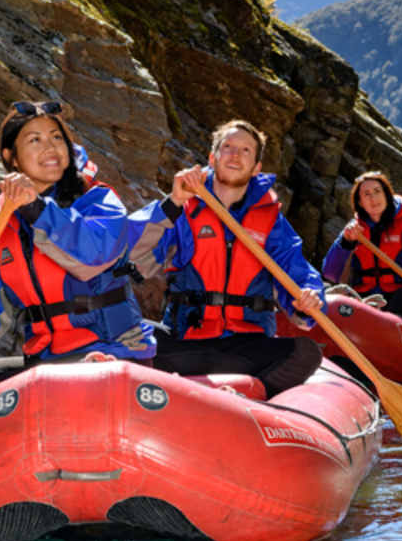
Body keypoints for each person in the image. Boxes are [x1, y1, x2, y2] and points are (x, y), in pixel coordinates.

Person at [0, 100, 153, 403]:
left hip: (113, 350)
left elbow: (93, 255)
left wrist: (36, 209)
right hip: (49, 359)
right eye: (34, 140)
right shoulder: (1, 233)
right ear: (11, 159)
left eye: (56, 137)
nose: (50, 147)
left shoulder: (99, 201)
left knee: (85, 377)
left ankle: (86, 382)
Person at [127, 119, 324, 397]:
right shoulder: (184, 206)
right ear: (213, 157)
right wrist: (172, 203)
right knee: (123, 332)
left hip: (246, 347)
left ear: (257, 167)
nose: (235, 154)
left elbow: (298, 272)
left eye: (245, 150)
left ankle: (249, 404)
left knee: (307, 352)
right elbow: (131, 255)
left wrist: (307, 298)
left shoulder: (271, 222)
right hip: (186, 341)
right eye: (228, 147)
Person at [321, 170, 402, 324]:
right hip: (364, 301)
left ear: (387, 196)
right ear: (360, 202)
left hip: (401, 302)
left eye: (377, 191)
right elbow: (330, 273)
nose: (373, 198)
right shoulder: (354, 230)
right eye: (366, 194)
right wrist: (346, 243)